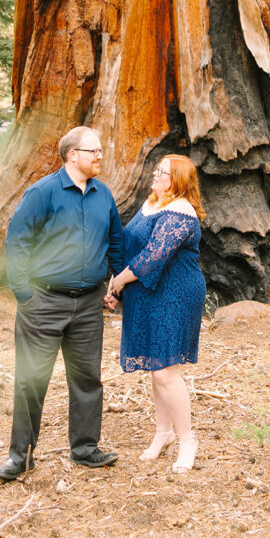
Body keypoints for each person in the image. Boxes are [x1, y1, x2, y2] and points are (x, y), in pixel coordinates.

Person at [0, 126, 124, 481]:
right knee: (31, 381)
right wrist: (24, 294)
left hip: (88, 307)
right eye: (93, 151)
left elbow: (115, 244)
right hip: (44, 303)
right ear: (72, 155)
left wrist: (114, 288)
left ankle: (85, 449)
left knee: (87, 380)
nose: (100, 156)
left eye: (100, 150)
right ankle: (21, 456)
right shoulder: (42, 192)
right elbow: (17, 242)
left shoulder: (103, 195)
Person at [106, 154, 206, 473]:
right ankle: (163, 434)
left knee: (165, 370)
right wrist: (113, 279)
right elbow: (130, 242)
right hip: (149, 293)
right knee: (155, 366)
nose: (155, 175)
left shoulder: (180, 211)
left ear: (177, 182)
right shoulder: (153, 202)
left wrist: (119, 281)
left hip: (175, 294)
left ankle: (187, 440)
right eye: (156, 169)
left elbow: (152, 257)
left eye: (162, 173)